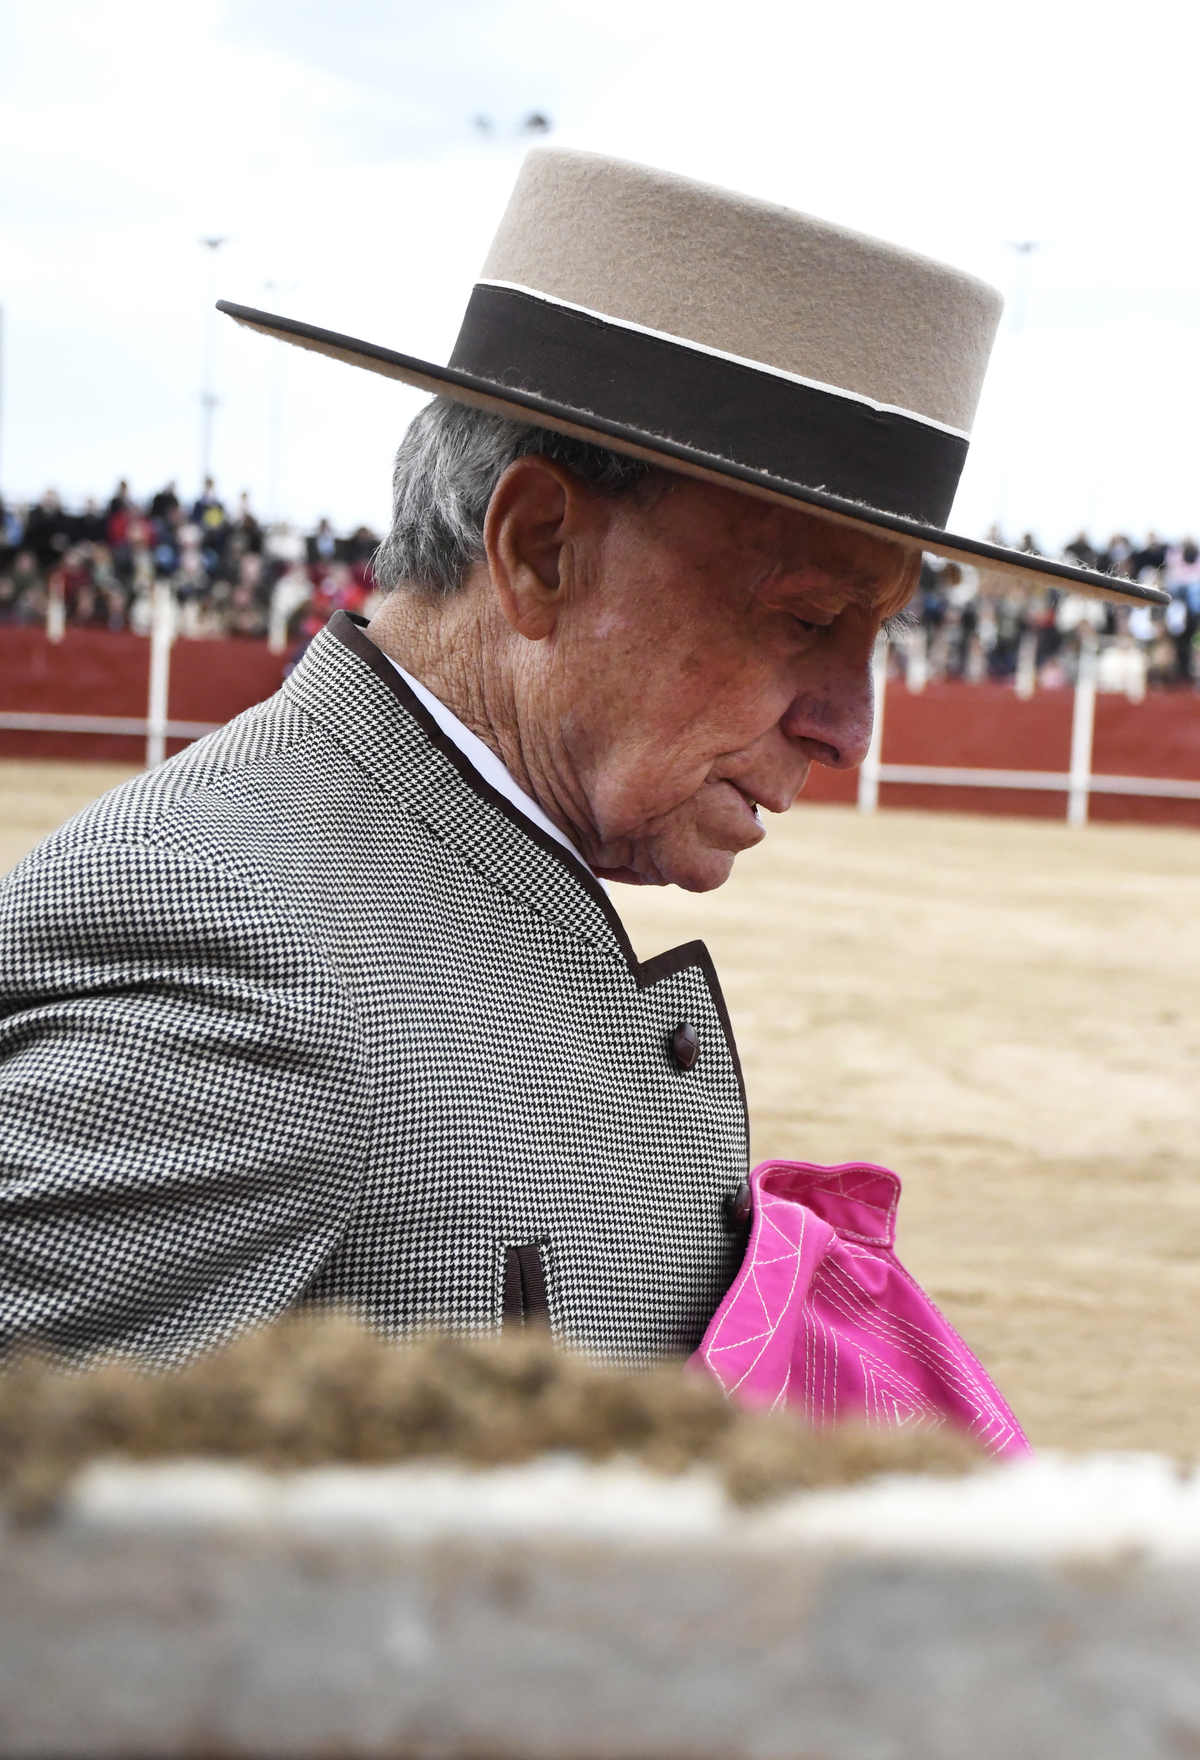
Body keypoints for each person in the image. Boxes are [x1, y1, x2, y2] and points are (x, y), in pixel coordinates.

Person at [0, 149, 1164, 1369]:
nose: (850, 726)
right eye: (808, 618)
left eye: (881, 635)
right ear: (540, 548)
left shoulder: (395, 877)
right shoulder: (235, 951)